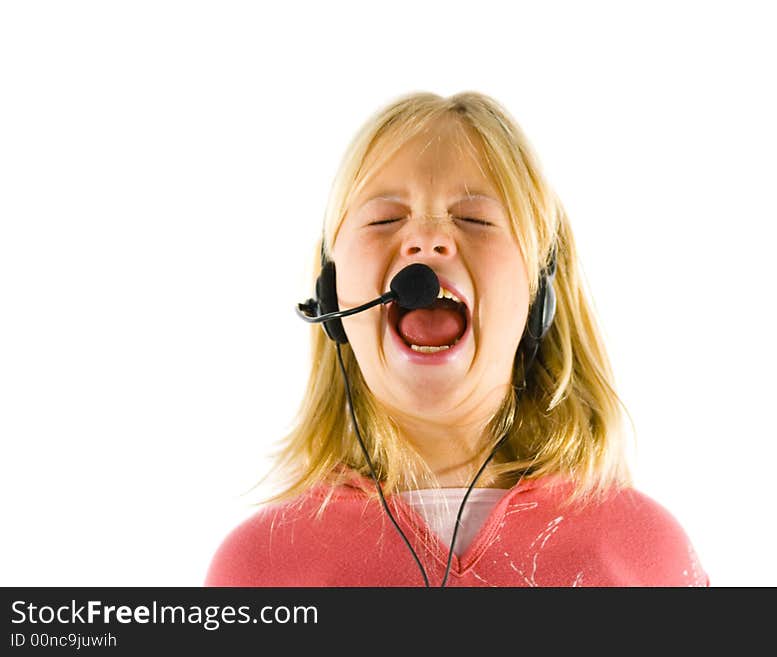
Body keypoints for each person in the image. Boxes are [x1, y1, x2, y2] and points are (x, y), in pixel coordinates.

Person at [204, 91, 709, 587]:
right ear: (332, 299)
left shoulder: (644, 554)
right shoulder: (261, 568)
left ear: (540, 297)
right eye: (384, 220)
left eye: (475, 219)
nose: (426, 239)